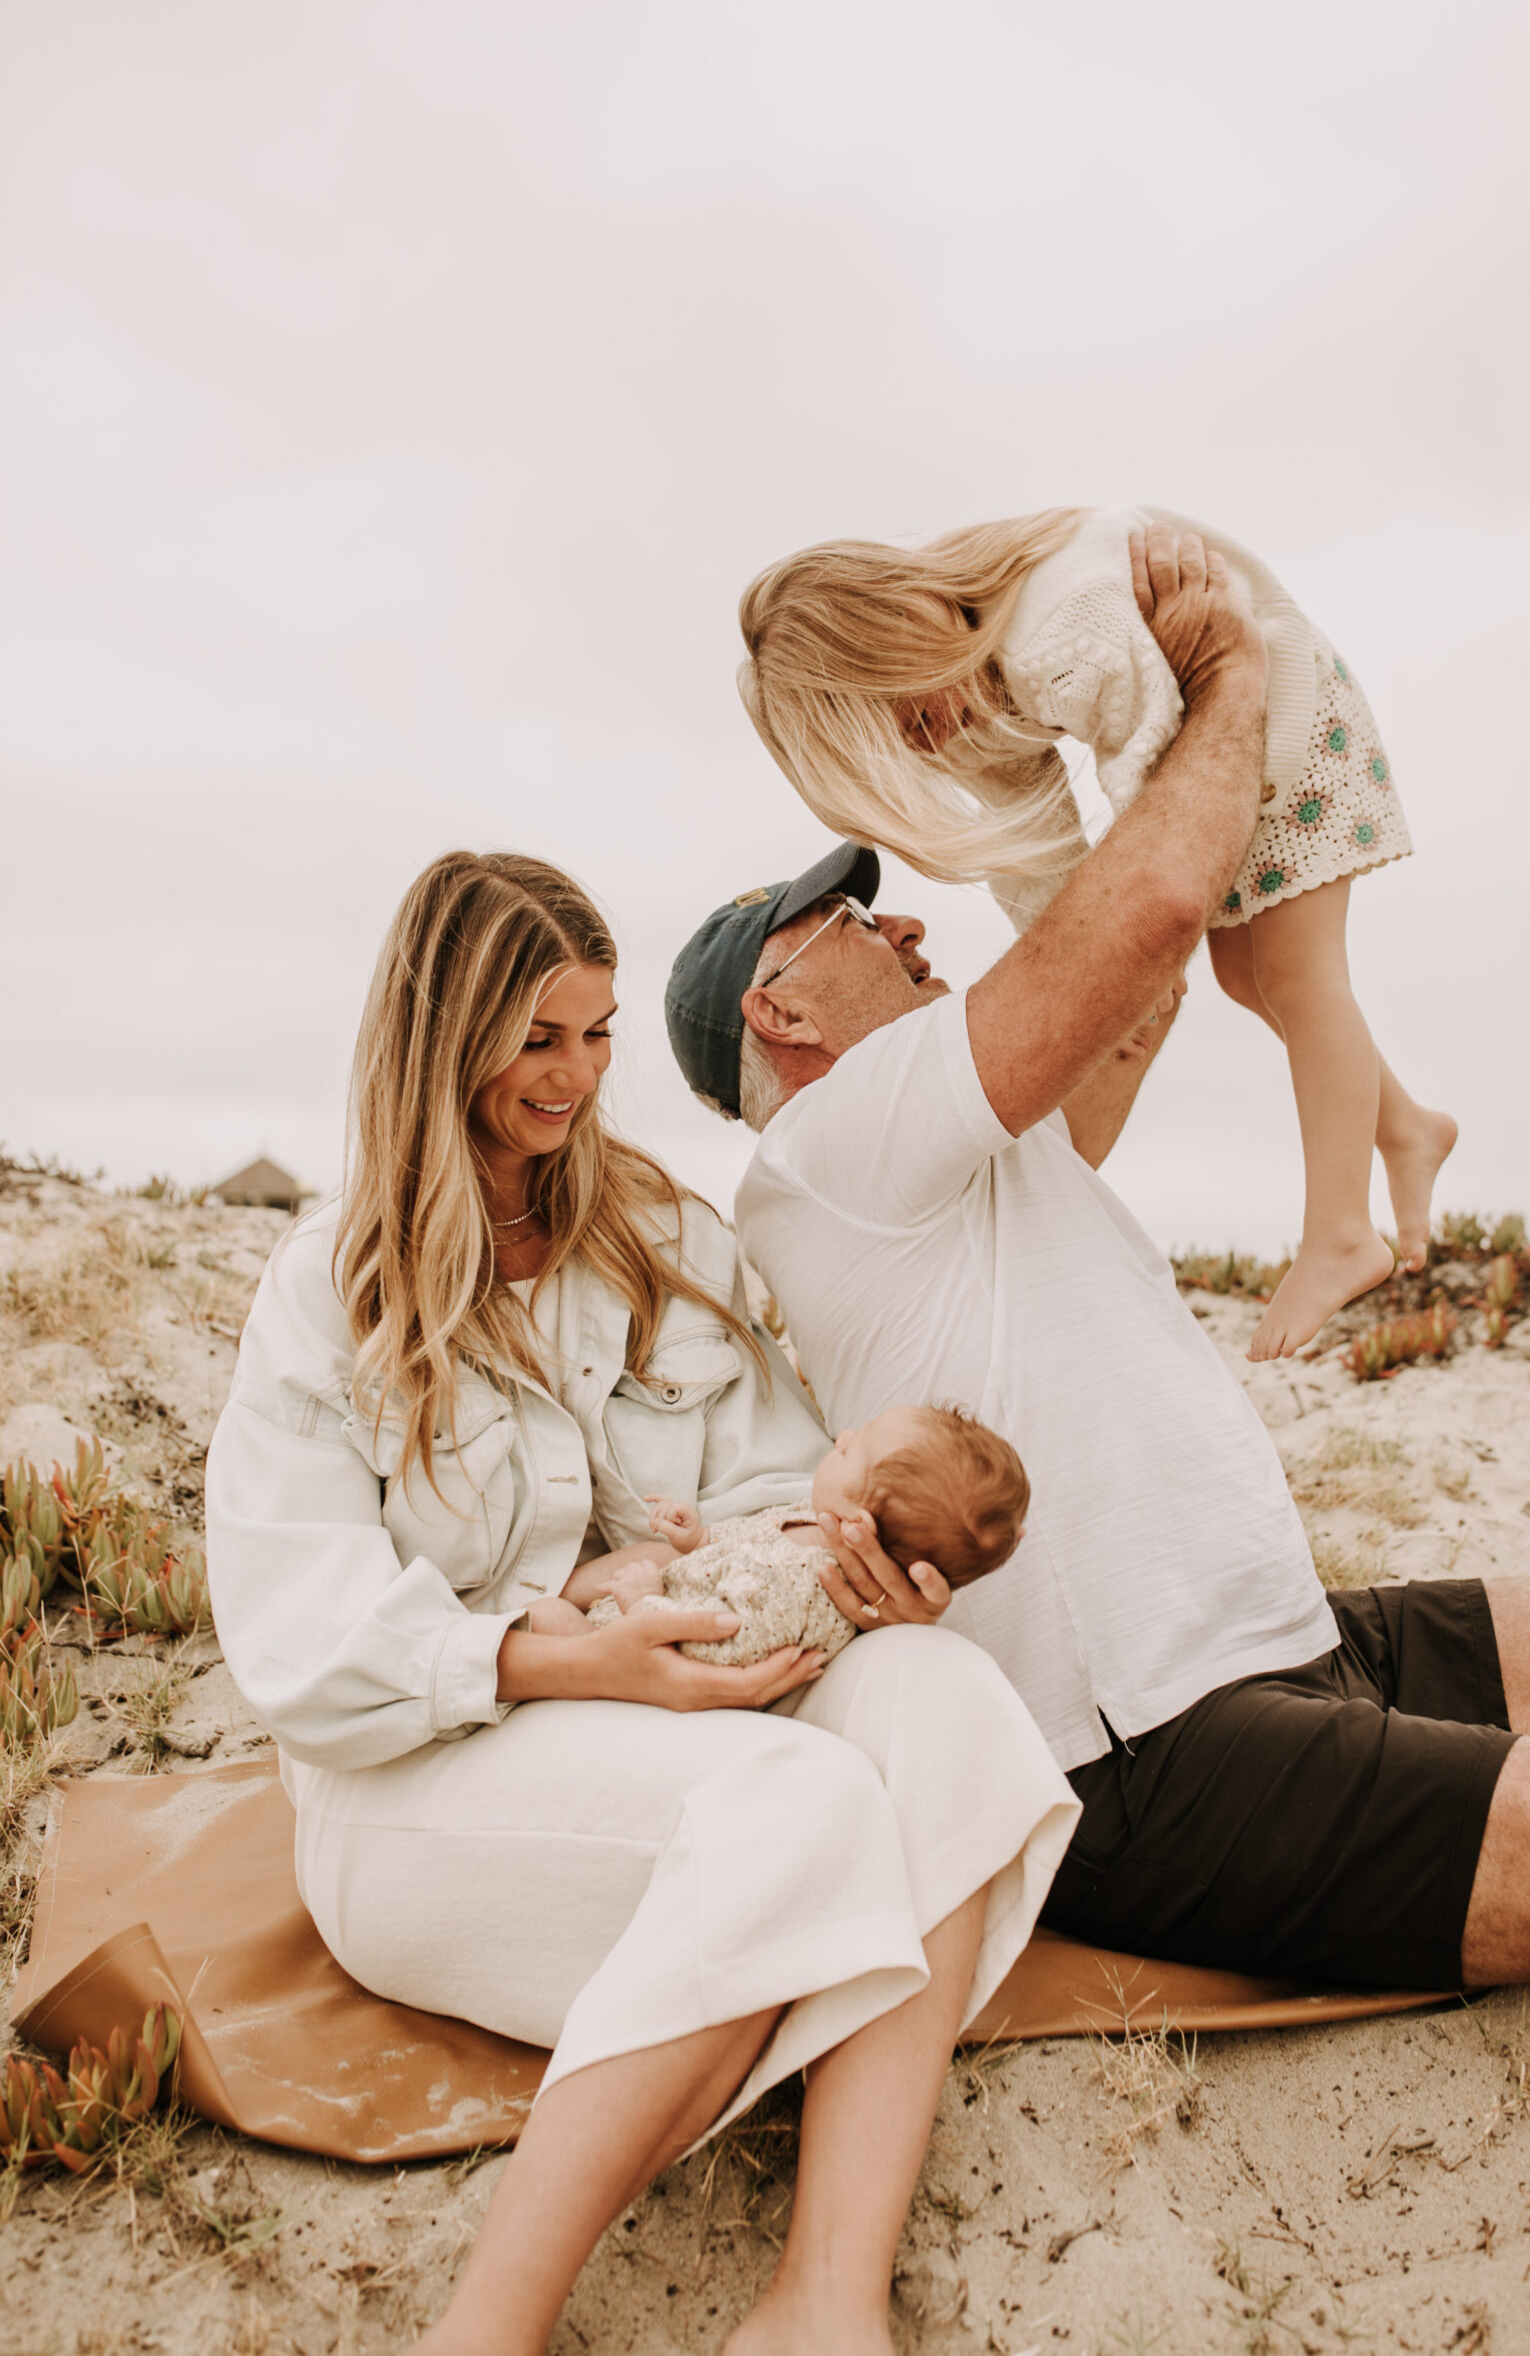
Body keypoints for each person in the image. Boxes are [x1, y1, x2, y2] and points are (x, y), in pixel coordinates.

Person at [667, 526, 1530, 2008]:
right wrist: (1223, 676)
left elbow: (1128, 988)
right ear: (777, 1010)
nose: (901, 918)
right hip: (1154, 1755)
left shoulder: (947, 1152)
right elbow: (1149, 912)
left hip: (1291, 1642)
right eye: (850, 916)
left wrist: (1063, 734)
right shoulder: (830, 1149)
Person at [204, 850, 1077, 2356]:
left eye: (597, 1034)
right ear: (437, 1030)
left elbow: (774, 1483)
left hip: (673, 1702)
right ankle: (486, 2331)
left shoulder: (662, 1232)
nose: (577, 1076)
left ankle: (821, 2299)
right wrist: (562, 1648)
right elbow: (307, 1645)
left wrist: (829, 1561)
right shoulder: (326, 1289)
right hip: (416, 1779)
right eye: (538, 1038)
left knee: (946, 1702)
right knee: (798, 1808)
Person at [736, 503, 1456, 1358]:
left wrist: (1143, 939)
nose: (926, 744)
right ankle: (1406, 1126)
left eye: (908, 721)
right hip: (1226, 739)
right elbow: (1036, 863)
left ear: (901, 641)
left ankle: (1340, 1230)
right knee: (1247, 977)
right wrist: (1088, 962)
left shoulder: (1059, 629)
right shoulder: (966, 693)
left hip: (1284, 708)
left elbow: (1156, 790)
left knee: (1301, 978)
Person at [553, 1403, 1028, 1666]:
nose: (840, 1437)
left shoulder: (799, 1590)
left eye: (850, 1452)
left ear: (860, 1525)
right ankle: (556, 1594)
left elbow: (713, 1647)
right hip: (661, 1594)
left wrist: (644, 1603)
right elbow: (748, 1545)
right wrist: (699, 1539)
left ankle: (546, 1619)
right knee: (647, 1553)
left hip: (632, 1650)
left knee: (549, 1618)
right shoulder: (814, 1523)